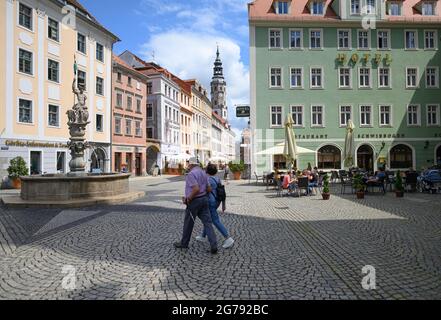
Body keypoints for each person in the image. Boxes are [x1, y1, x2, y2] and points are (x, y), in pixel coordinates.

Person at [174, 157, 218, 254]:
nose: (188, 165)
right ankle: (214, 245)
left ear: (191, 164)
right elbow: (209, 189)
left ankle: (184, 243)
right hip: (204, 200)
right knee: (208, 223)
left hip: (194, 201)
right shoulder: (203, 172)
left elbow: (196, 189)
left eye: (188, 164)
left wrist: (188, 198)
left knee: (188, 223)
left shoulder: (191, 174)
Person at [196, 164, 234, 249]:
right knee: (208, 219)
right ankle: (203, 236)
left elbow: (203, 190)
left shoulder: (208, 179)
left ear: (207, 171)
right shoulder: (217, 179)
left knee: (215, 220)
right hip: (217, 201)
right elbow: (222, 192)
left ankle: (228, 238)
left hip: (210, 202)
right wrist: (224, 204)